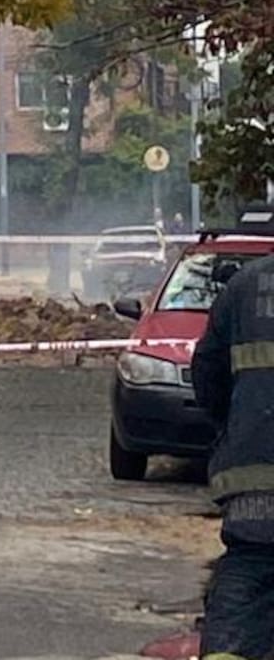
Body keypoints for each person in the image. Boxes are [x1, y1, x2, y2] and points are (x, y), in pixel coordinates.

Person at [191, 254, 274, 660]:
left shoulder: (244, 286)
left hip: (254, 499)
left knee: (235, 624)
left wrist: (240, 428)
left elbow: (208, 375)